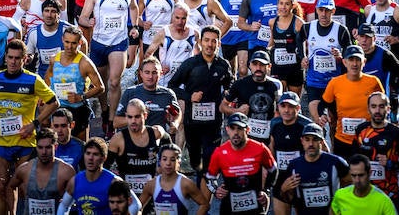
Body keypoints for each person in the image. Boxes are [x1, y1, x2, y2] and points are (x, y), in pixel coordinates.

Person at [0, 40, 59, 215]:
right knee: (2, 186)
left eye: (17, 58)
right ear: (5, 58)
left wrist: (34, 124)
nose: (13, 61)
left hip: (25, 141)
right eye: (10, 57)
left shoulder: (33, 80)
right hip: (0, 140)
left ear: (24, 59)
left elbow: (54, 103)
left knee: (24, 188)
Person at [79, 0, 138, 135]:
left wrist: (134, 26)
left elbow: (134, 8)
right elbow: (82, 17)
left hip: (118, 43)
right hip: (98, 43)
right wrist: (88, 21)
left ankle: (112, 120)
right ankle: (104, 110)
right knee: (102, 84)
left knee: (114, 81)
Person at [168, 25, 233, 182]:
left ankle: (205, 188)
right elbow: (172, 86)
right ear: (201, 42)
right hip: (193, 122)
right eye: (206, 40)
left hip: (214, 122)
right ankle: (201, 179)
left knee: (210, 158)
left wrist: (227, 94)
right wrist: (189, 97)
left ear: (218, 44)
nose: (210, 45)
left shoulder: (223, 65)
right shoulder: (190, 64)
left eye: (213, 41)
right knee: (196, 160)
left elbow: (231, 84)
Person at [203, 112, 278, 215]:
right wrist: (216, 190)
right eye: (232, 128)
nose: (236, 132)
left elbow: (273, 169)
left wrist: (266, 191)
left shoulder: (260, 148)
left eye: (239, 128)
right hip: (229, 206)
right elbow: (209, 177)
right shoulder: (219, 152)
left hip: (255, 206)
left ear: (247, 130)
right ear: (227, 130)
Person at [352, 91, 399, 211]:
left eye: (381, 106)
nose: (377, 111)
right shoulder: (361, 130)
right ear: (368, 109)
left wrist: (390, 163)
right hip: (363, 192)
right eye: (373, 106)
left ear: (388, 109)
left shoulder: (396, 133)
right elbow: (353, 159)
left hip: (389, 193)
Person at [320, 45, 384, 159]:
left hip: (368, 139)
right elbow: (323, 103)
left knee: (366, 174)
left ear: (364, 62)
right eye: (351, 60)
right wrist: (323, 115)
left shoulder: (373, 82)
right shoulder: (335, 83)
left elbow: (383, 106)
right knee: (345, 175)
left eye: (358, 60)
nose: (354, 64)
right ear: (344, 62)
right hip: (343, 140)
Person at [45, 25, 105, 140]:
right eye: (67, 42)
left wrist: (81, 97)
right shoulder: (54, 59)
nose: (69, 46)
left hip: (78, 110)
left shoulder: (85, 63)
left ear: (79, 43)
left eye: (73, 43)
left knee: (80, 145)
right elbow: (48, 78)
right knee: (56, 143)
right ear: (62, 39)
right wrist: (44, 97)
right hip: (57, 108)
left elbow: (100, 87)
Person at [280, 121, 349, 215]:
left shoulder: (336, 163)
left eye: (315, 139)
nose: (311, 144)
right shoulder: (294, 166)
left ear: (321, 141)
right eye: (307, 139)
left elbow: (350, 186)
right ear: (302, 141)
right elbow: (289, 199)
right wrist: (284, 189)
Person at [107, 98, 169, 194]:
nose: (133, 121)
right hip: (128, 194)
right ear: (126, 117)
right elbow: (106, 166)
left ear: (145, 115)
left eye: (137, 117)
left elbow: (168, 143)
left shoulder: (156, 133)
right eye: (130, 117)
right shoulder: (118, 139)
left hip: (151, 193)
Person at [8, 126, 75, 213]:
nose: (43, 152)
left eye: (48, 147)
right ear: (36, 147)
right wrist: (12, 212)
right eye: (40, 147)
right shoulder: (25, 169)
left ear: (55, 146)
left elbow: (79, 195)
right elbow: (10, 187)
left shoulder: (66, 171)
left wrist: (67, 205)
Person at [138, 143, 209, 215]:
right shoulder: (152, 184)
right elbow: (138, 207)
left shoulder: (186, 184)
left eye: (172, 160)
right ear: (160, 161)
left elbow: (204, 205)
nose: (168, 163)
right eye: (164, 159)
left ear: (179, 162)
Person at [330, 153, 397, 215]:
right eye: (353, 175)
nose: (357, 180)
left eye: (361, 175)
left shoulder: (383, 200)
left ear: (370, 173)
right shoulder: (340, 195)